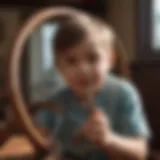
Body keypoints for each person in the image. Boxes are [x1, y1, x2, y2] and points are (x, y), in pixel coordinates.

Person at [35, 11, 151, 160]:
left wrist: (108, 139)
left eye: (92, 58)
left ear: (110, 60)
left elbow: (140, 152)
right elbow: (39, 139)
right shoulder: (55, 102)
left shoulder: (123, 94)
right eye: (71, 61)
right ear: (59, 67)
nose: (82, 69)